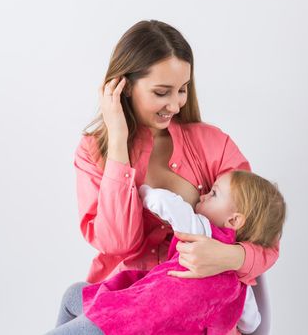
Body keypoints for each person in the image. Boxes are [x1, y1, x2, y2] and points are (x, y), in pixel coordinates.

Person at [52, 19, 280, 334]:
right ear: (125, 86)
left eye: (182, 90)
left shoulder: (212, 144)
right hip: (128, 299)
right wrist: (118, 143)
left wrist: (229, 255)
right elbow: (119, 244)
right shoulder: (94, 151)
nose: (175, 104)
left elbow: (264, 234)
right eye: (162, 92)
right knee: (71, 297)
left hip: (188, 313)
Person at [44, 170, 286, 334]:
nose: (203, 195)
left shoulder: (202, 231)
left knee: (73, 308)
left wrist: (144, 192)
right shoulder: (242, 286)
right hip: (133, 313)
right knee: (74, 294)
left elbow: (169, 205)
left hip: (125, 324)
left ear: (233, 220)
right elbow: (253, 322)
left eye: (213, 194)